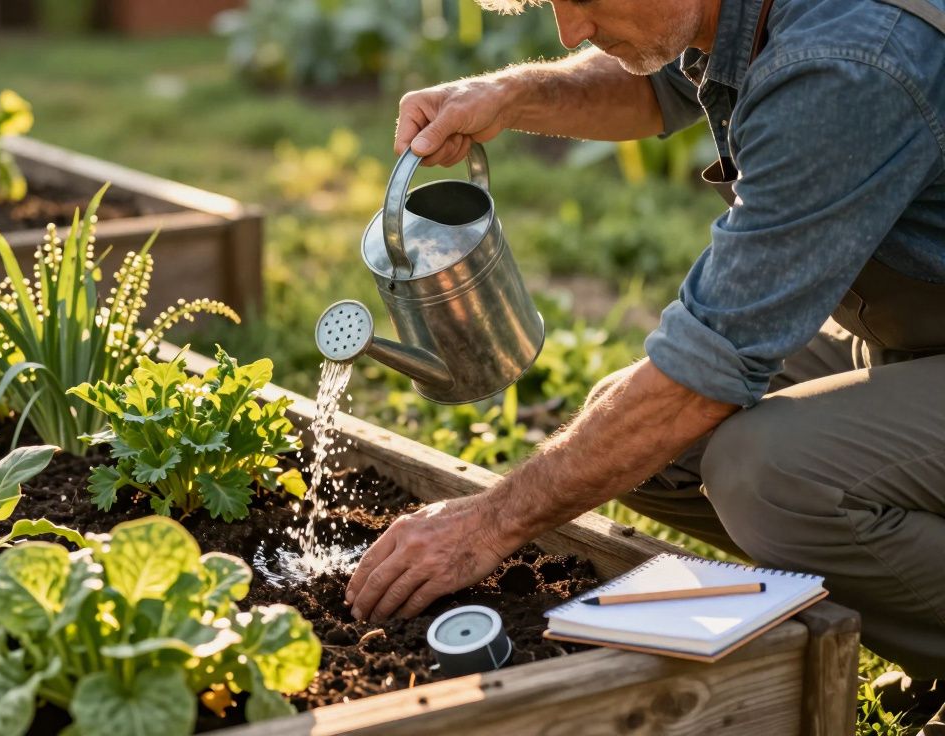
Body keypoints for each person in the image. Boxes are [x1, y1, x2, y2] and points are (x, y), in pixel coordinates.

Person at [344, 0, 945, 728]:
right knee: (649, 448)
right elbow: (654, 86)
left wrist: (490, 524)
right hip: (914, 334)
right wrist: (509, 96)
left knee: (766, 471)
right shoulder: (734, 14)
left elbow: (705, 372)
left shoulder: (846, 66)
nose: (569, 29)